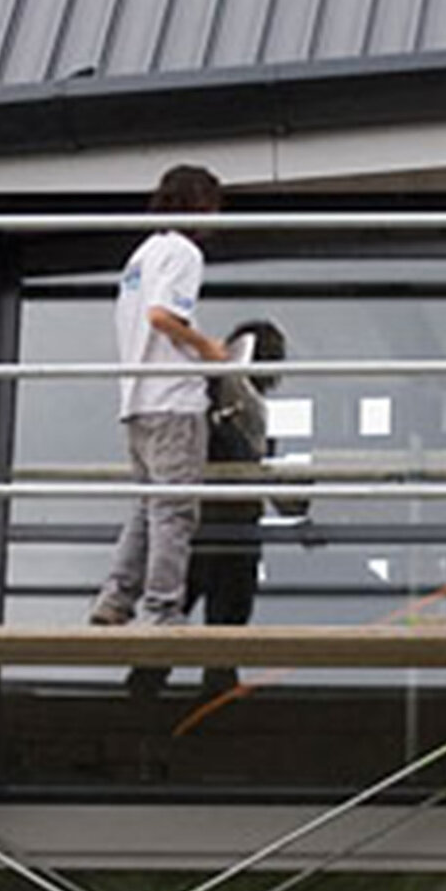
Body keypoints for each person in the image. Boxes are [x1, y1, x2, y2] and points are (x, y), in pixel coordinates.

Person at [91, 163, 235, 627]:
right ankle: (162, 608)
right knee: (173, 511)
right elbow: (162, 316)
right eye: (213, 207)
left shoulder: (141, 254)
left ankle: (115, 599)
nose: (215, 219)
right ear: (199, 204)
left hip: (137, 400)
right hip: (173, 400)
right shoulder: (183, 253)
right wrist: (209, 349)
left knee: (146, 506)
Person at [187, 318, 292, 634]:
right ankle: (148, 680)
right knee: (212, 629)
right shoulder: (212, 398)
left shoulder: (253, 412)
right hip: (213, 526)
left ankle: (148, 680)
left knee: (221, 630)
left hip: (227, 528)